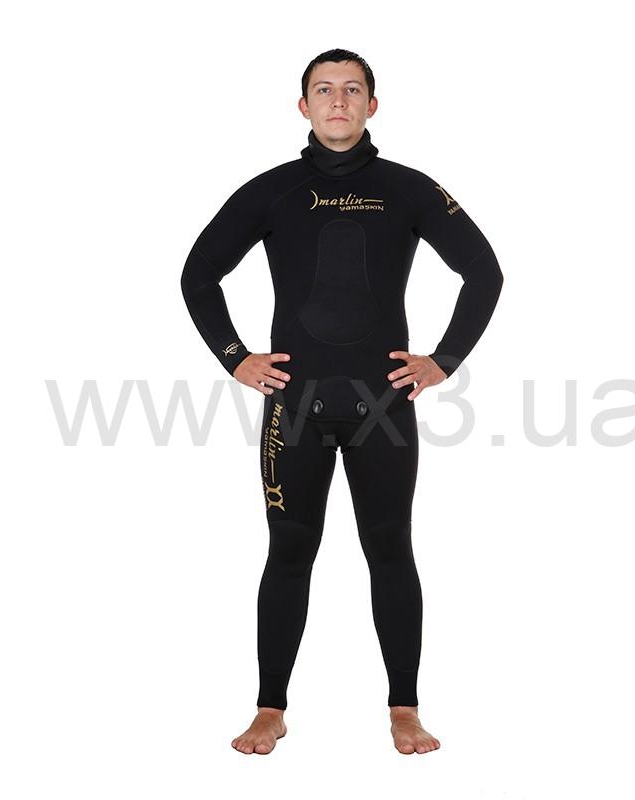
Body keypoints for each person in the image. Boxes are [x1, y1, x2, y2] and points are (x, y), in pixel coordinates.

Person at [180, 48, 503, 755]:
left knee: (390, 549)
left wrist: (443, 361)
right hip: (293, 407)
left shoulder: (409, 189)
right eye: (323, 89)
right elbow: (198, 275)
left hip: (382, 406)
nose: (338, 100)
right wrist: (235, 358)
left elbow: (484, 272)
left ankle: (404, 710)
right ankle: (270, 708)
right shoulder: (271, 191)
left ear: (371, 105)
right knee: (289, 551)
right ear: (303, 106)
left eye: (352, 89)